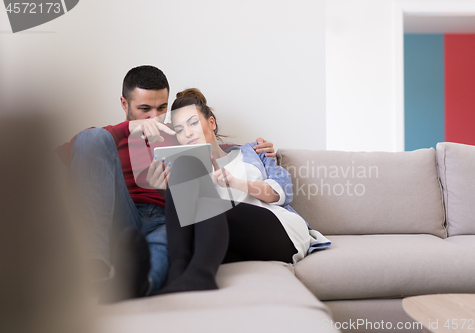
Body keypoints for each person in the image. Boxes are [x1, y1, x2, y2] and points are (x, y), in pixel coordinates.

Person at [56, 66, 277, 301]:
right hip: (121, 214)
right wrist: (130, 129)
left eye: (162, 108)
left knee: (165, 246)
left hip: (165, 218)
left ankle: (138, 285)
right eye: (144, 109)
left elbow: (217, 152)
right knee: (91, 137)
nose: (155, 118)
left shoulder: (180, 133)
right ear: (124, 104)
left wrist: (257, 151)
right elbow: (72, 153)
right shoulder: (109, 137)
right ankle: (95, 272)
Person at [146, 88, 331, 294]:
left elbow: (282, 192)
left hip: (277, 231)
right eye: (179, 130)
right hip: (228, 239)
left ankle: (200, 276)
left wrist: (235, 182)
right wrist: (165, 192)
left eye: (193, 123)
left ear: (211, 123)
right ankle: (176, 274)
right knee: (185, 166)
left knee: (208, 203)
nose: (187, 133)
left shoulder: (253, 152)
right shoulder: (188, 173)